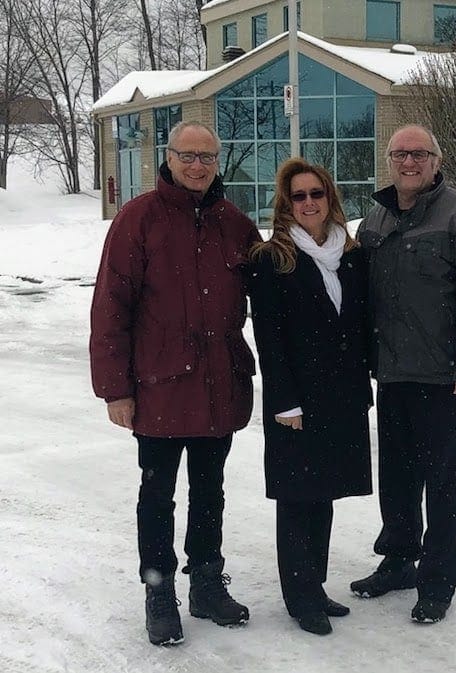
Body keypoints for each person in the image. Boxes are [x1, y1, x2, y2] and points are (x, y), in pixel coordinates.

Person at [89, 121, 259, 646]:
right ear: (169, 157)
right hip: (159, 386)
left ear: (218, 161)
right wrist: (116, 389)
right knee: (157, 494)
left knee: (210, 491)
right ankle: (159, 592)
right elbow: (111, 307)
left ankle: (206, 583)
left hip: (219, 385)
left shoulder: (235, 224)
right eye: (188, 155)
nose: (197, 166)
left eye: (207, 156)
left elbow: (274, 295)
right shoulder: (138, 219)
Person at [351, 124, 456, 624]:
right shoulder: (375, 220)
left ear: (436, 161)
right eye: (400, 154)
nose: (409, 162)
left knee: (445, 486)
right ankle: (399, 561)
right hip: (394, 377)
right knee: (397, 480)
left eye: (419, 154)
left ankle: (438, 582)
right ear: (388, 161)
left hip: (448, 382)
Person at [247, 159, 373, 636]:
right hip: (296, 401)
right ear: (286, 203)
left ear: (330, 198)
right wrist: (284, 401)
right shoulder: (271, 259)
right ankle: (300, 597)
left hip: (341, 397)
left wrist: (363, 387)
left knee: (324, 494)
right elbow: (270, 339)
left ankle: (315, 587)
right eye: (298, 196)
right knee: (298, 497)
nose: (308, 203)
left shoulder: (352, 255)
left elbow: (358, 327)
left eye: (316, 193)